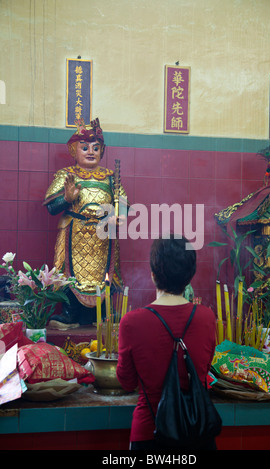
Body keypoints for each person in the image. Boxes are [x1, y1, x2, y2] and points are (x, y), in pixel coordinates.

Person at [116, 235, 217, 451]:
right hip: (197, 432)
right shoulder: (206, 317)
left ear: (153, 275)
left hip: (149, 433)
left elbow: (126, 382)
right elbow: (204, 370)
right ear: (190, 276)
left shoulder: (132, 322)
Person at [44, 118, 128, 329]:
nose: (90, 152)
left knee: (105, 273)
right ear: (75, 151)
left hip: (103, 235)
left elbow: (124, 202)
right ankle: (70, 313)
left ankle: (104, 314)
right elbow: (51, 206)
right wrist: (67, 199)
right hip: (75, 234)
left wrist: (121, 215)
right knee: (70, 273)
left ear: (102, 151)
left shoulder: (110, 177)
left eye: (96, 148)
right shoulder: (67, 175)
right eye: (85, 147)